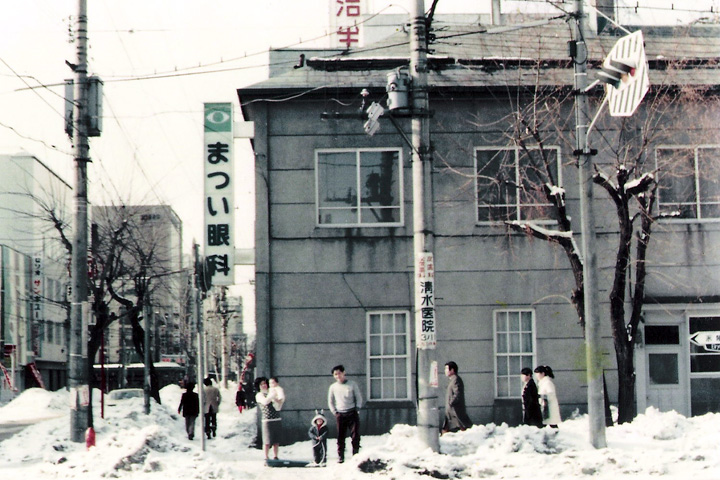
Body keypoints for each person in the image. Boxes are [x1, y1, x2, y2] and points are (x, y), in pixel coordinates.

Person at [327, 364, 362, 463]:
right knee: (340, 436)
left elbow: (358, 397)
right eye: (335, 374)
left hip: (352, 413)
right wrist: (335, 412)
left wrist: (357, 408)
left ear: (344, 373)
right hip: (340, 414)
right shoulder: (333, 387)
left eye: (339, 373)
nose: (338, 376)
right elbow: (330, 401)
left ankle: (356, 455)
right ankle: (341, 456)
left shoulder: (352, 384)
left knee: (355, 435)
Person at [441, 361, 473, 434]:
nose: (445, 371)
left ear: (452, 370)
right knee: (446, 427)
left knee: (463, 426)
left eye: (446, 369)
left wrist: (451, 402)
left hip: (455, 411)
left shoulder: (456, 380)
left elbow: (457, 394)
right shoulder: (452, 380)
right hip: (451, 411)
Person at [255, 377, 282, 460]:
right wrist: (272, 395)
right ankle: (266, 457)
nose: (264, 385)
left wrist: (277, 399)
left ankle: (275, 456)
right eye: (261, 384)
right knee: (267, 441)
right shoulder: (259, 395)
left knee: (276, 440)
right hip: (267, 419)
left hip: (276, 418)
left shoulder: (271, 393)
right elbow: (265, 402)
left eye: (265, 383)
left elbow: (278, 406)